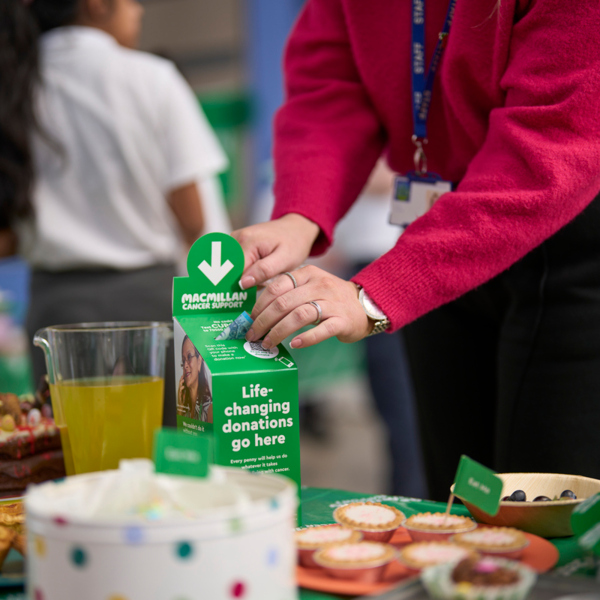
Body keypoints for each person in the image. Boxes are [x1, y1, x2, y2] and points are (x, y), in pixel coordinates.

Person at [233, 0, 600, 500]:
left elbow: (549, 145)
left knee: (547, 509)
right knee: (456, 498)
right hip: (436, 235)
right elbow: (330, 85)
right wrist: (300, 215)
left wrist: (373, 295)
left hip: (564, 237)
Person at [0, 0, 229, 425]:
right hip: (150, 310)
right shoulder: (151, 78)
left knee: (75, 465)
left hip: (56, 314)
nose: (140, 10)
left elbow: (7, 237)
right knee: (160, 462)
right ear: (97, 4)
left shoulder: (15, 85)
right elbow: (194, 221)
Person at [177, 335, 212, 423]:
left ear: (199, 361)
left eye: (189, 357)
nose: (185, 365)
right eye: (183, 360)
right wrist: (180, 408)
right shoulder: (184, 407)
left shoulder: (209, 409)